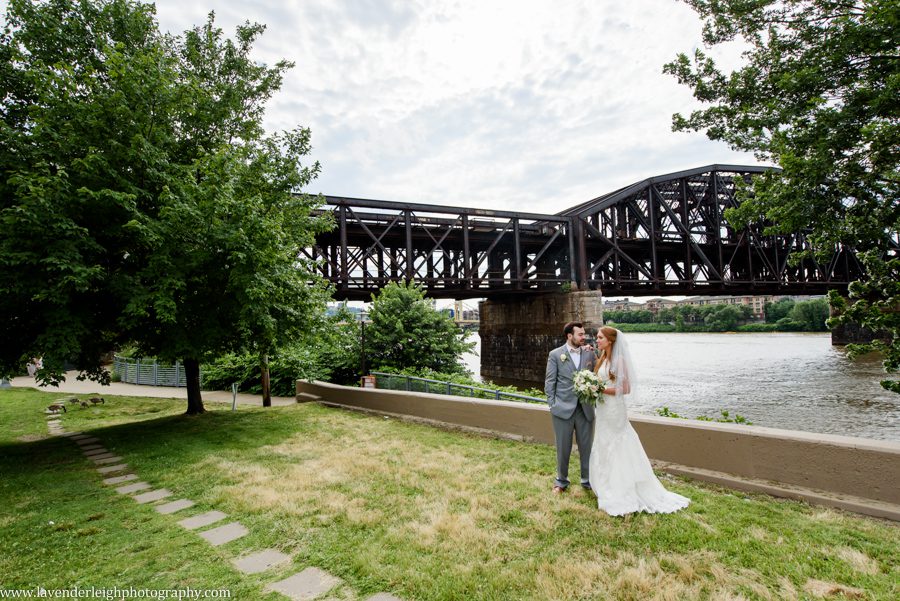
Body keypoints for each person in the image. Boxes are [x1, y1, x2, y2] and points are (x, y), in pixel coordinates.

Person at [589, 326, 690, 515]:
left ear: (610, 340)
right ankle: (605, 484)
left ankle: (622, 488)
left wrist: (599, 390)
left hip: (614, 410)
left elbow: (625, 389)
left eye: (600, 337)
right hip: (603, 409)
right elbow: (602, 379)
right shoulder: (602, 357)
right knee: (603, 442)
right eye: (597, 337)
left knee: (616, 444)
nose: (597, 340)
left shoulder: (619, 360)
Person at [544, 321, 595, 494]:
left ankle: (587, 480)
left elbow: (595, 375)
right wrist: (552, 404)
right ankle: (561, 481)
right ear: (569, 336)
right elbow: (550, 382)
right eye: (580, 334)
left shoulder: (589, 354)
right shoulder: (556, 355)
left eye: (584, 334)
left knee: (587, 447)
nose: (584, 337)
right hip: (562, 409)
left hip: (585, 409)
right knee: (563, 447)